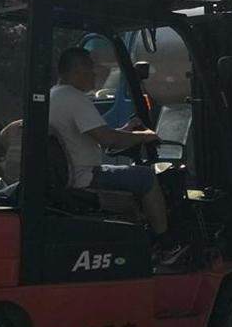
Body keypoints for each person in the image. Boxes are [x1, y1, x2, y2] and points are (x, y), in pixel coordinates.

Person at [49, 47, 186, 267]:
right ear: (77, 70)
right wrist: (144, 136)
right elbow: (109, 141)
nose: (95, 73)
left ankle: (146, 239)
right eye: (90, 68)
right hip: (86, 177)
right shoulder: (75, 99)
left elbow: (98, 135)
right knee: (146, 178)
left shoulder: (53, 96)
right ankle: (167, 247)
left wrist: (126, 130)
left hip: (70, 174)